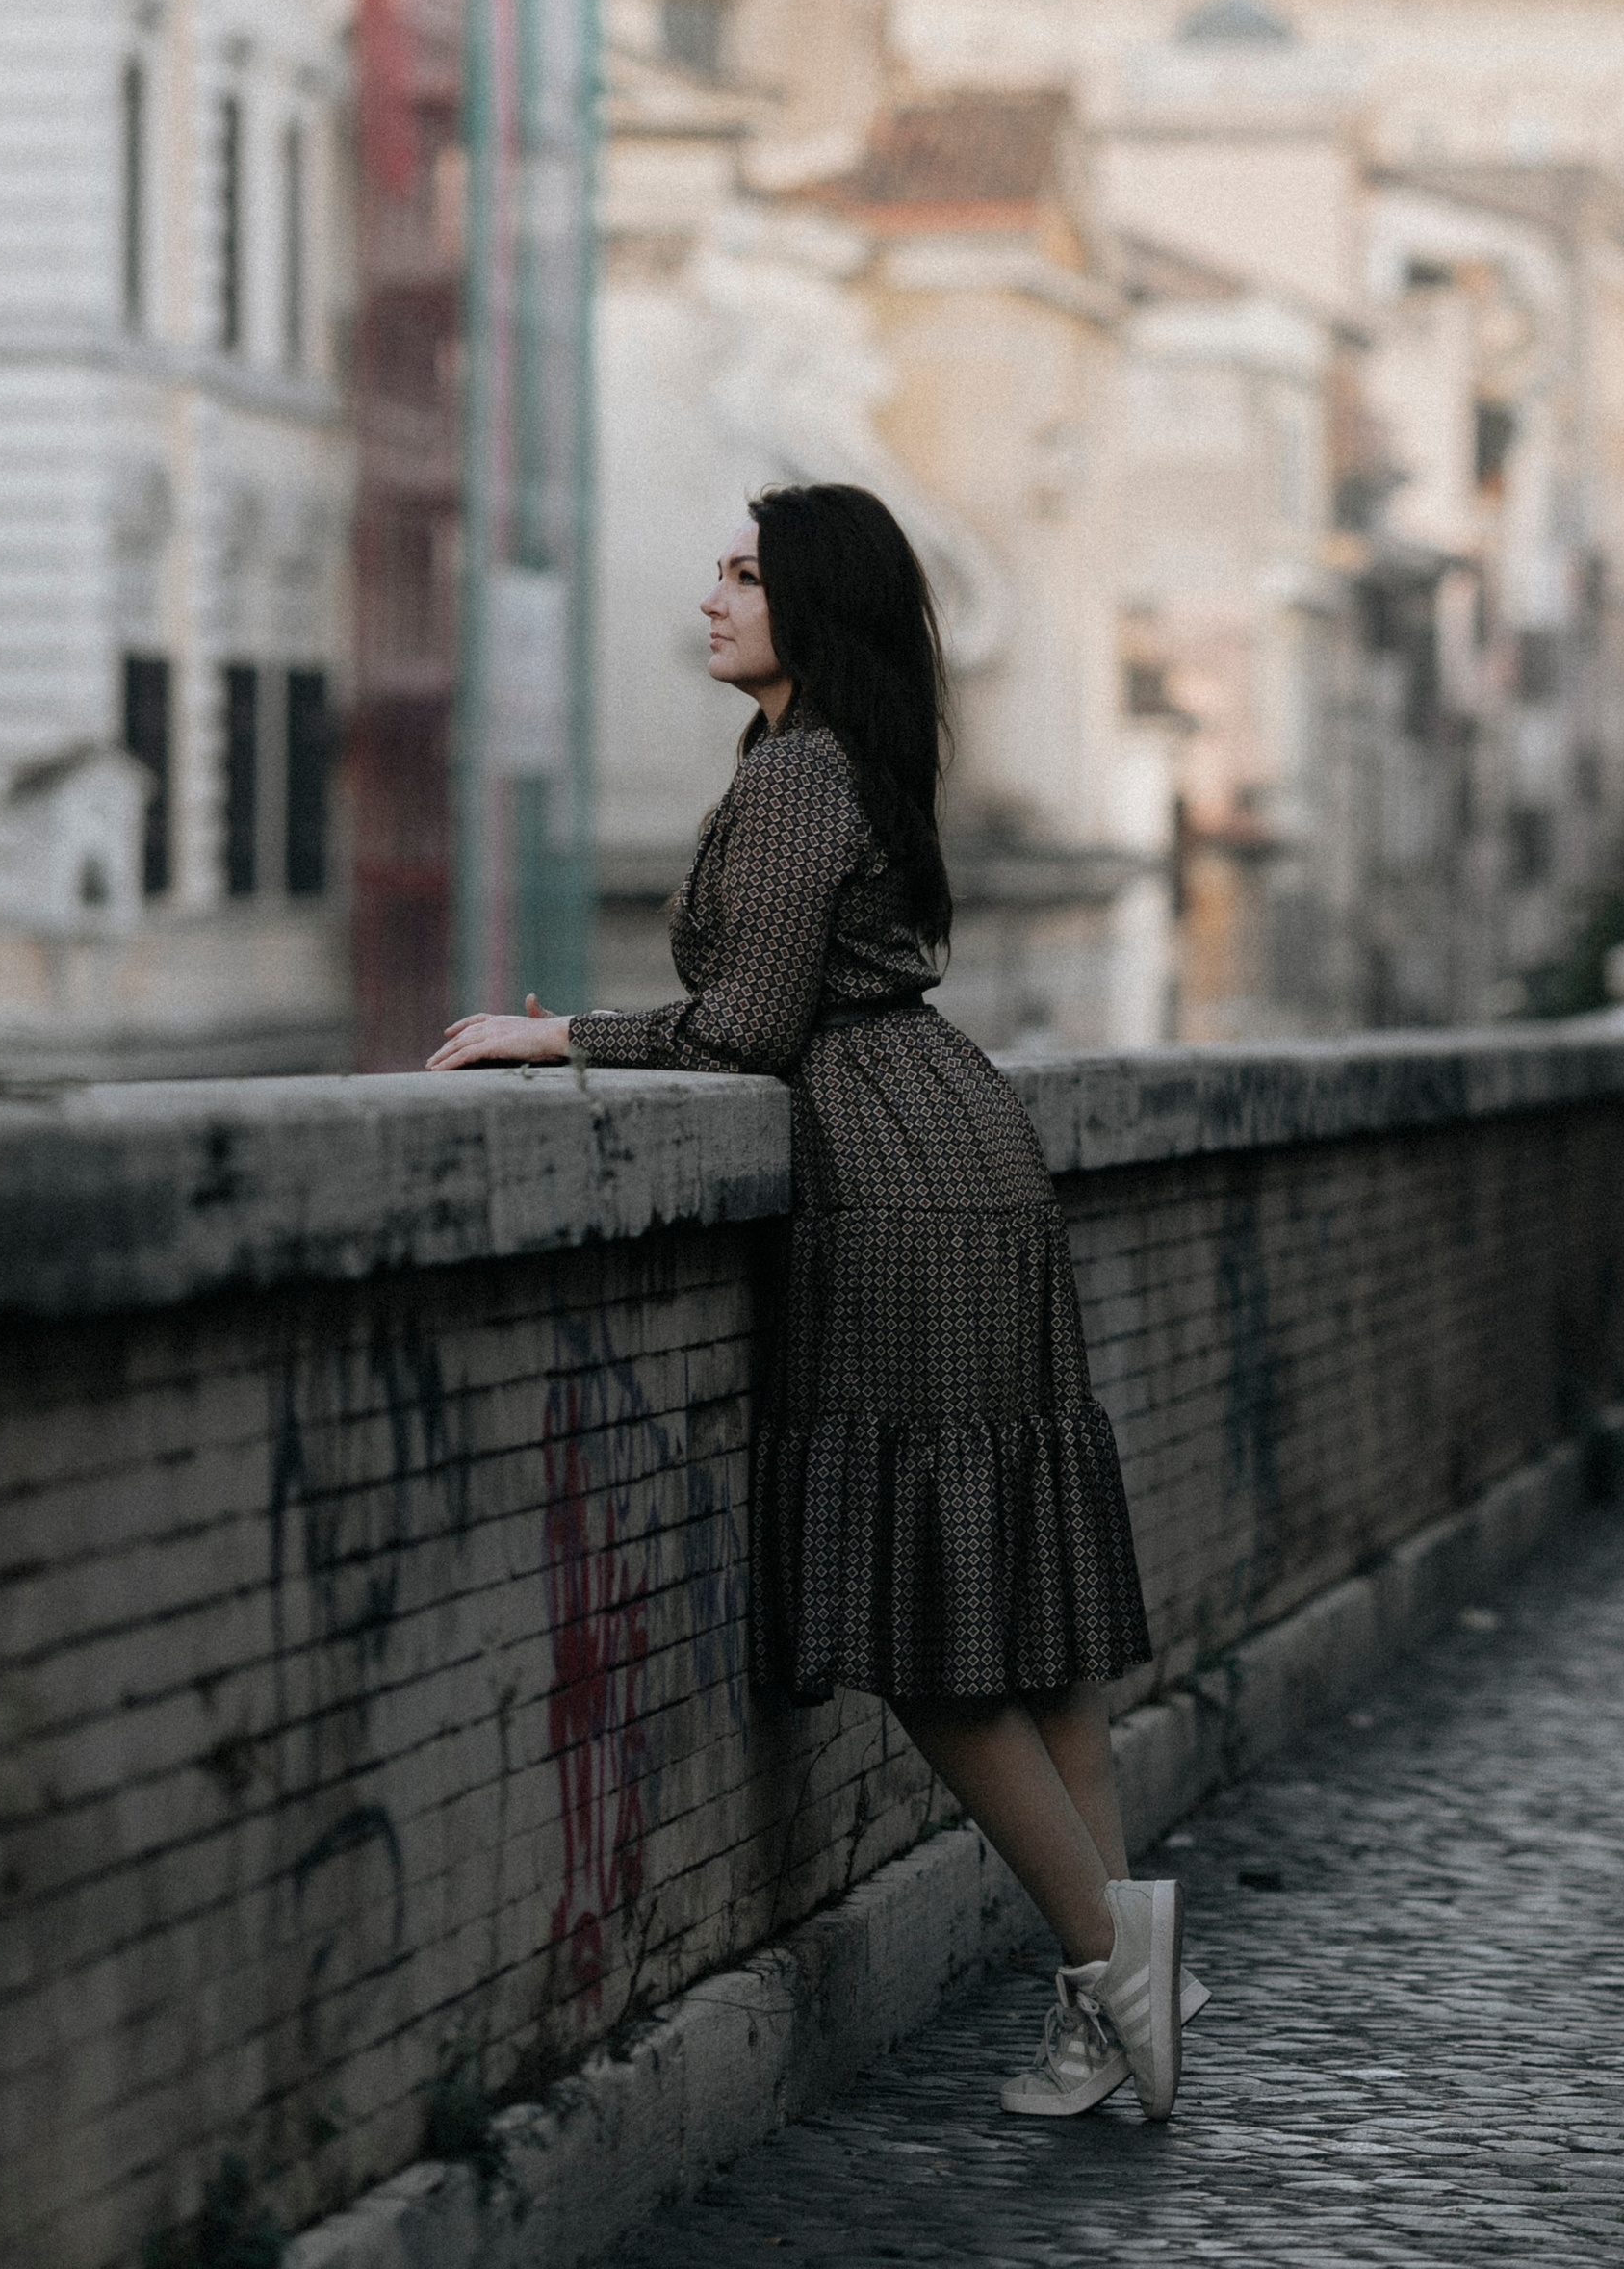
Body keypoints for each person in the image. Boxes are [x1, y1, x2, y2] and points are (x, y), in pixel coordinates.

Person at [428, 479, 1193, 2122]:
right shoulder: (860, 758)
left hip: (891, 1183)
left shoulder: (792, 779)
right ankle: (1121, 1991)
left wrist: (559, 1038)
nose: (710, 601)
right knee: (1031, 1619)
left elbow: (747, 1030)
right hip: (964, 1146)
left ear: (808, 609)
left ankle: (1115, 1981)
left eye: (739, 576)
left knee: (931, 1635)